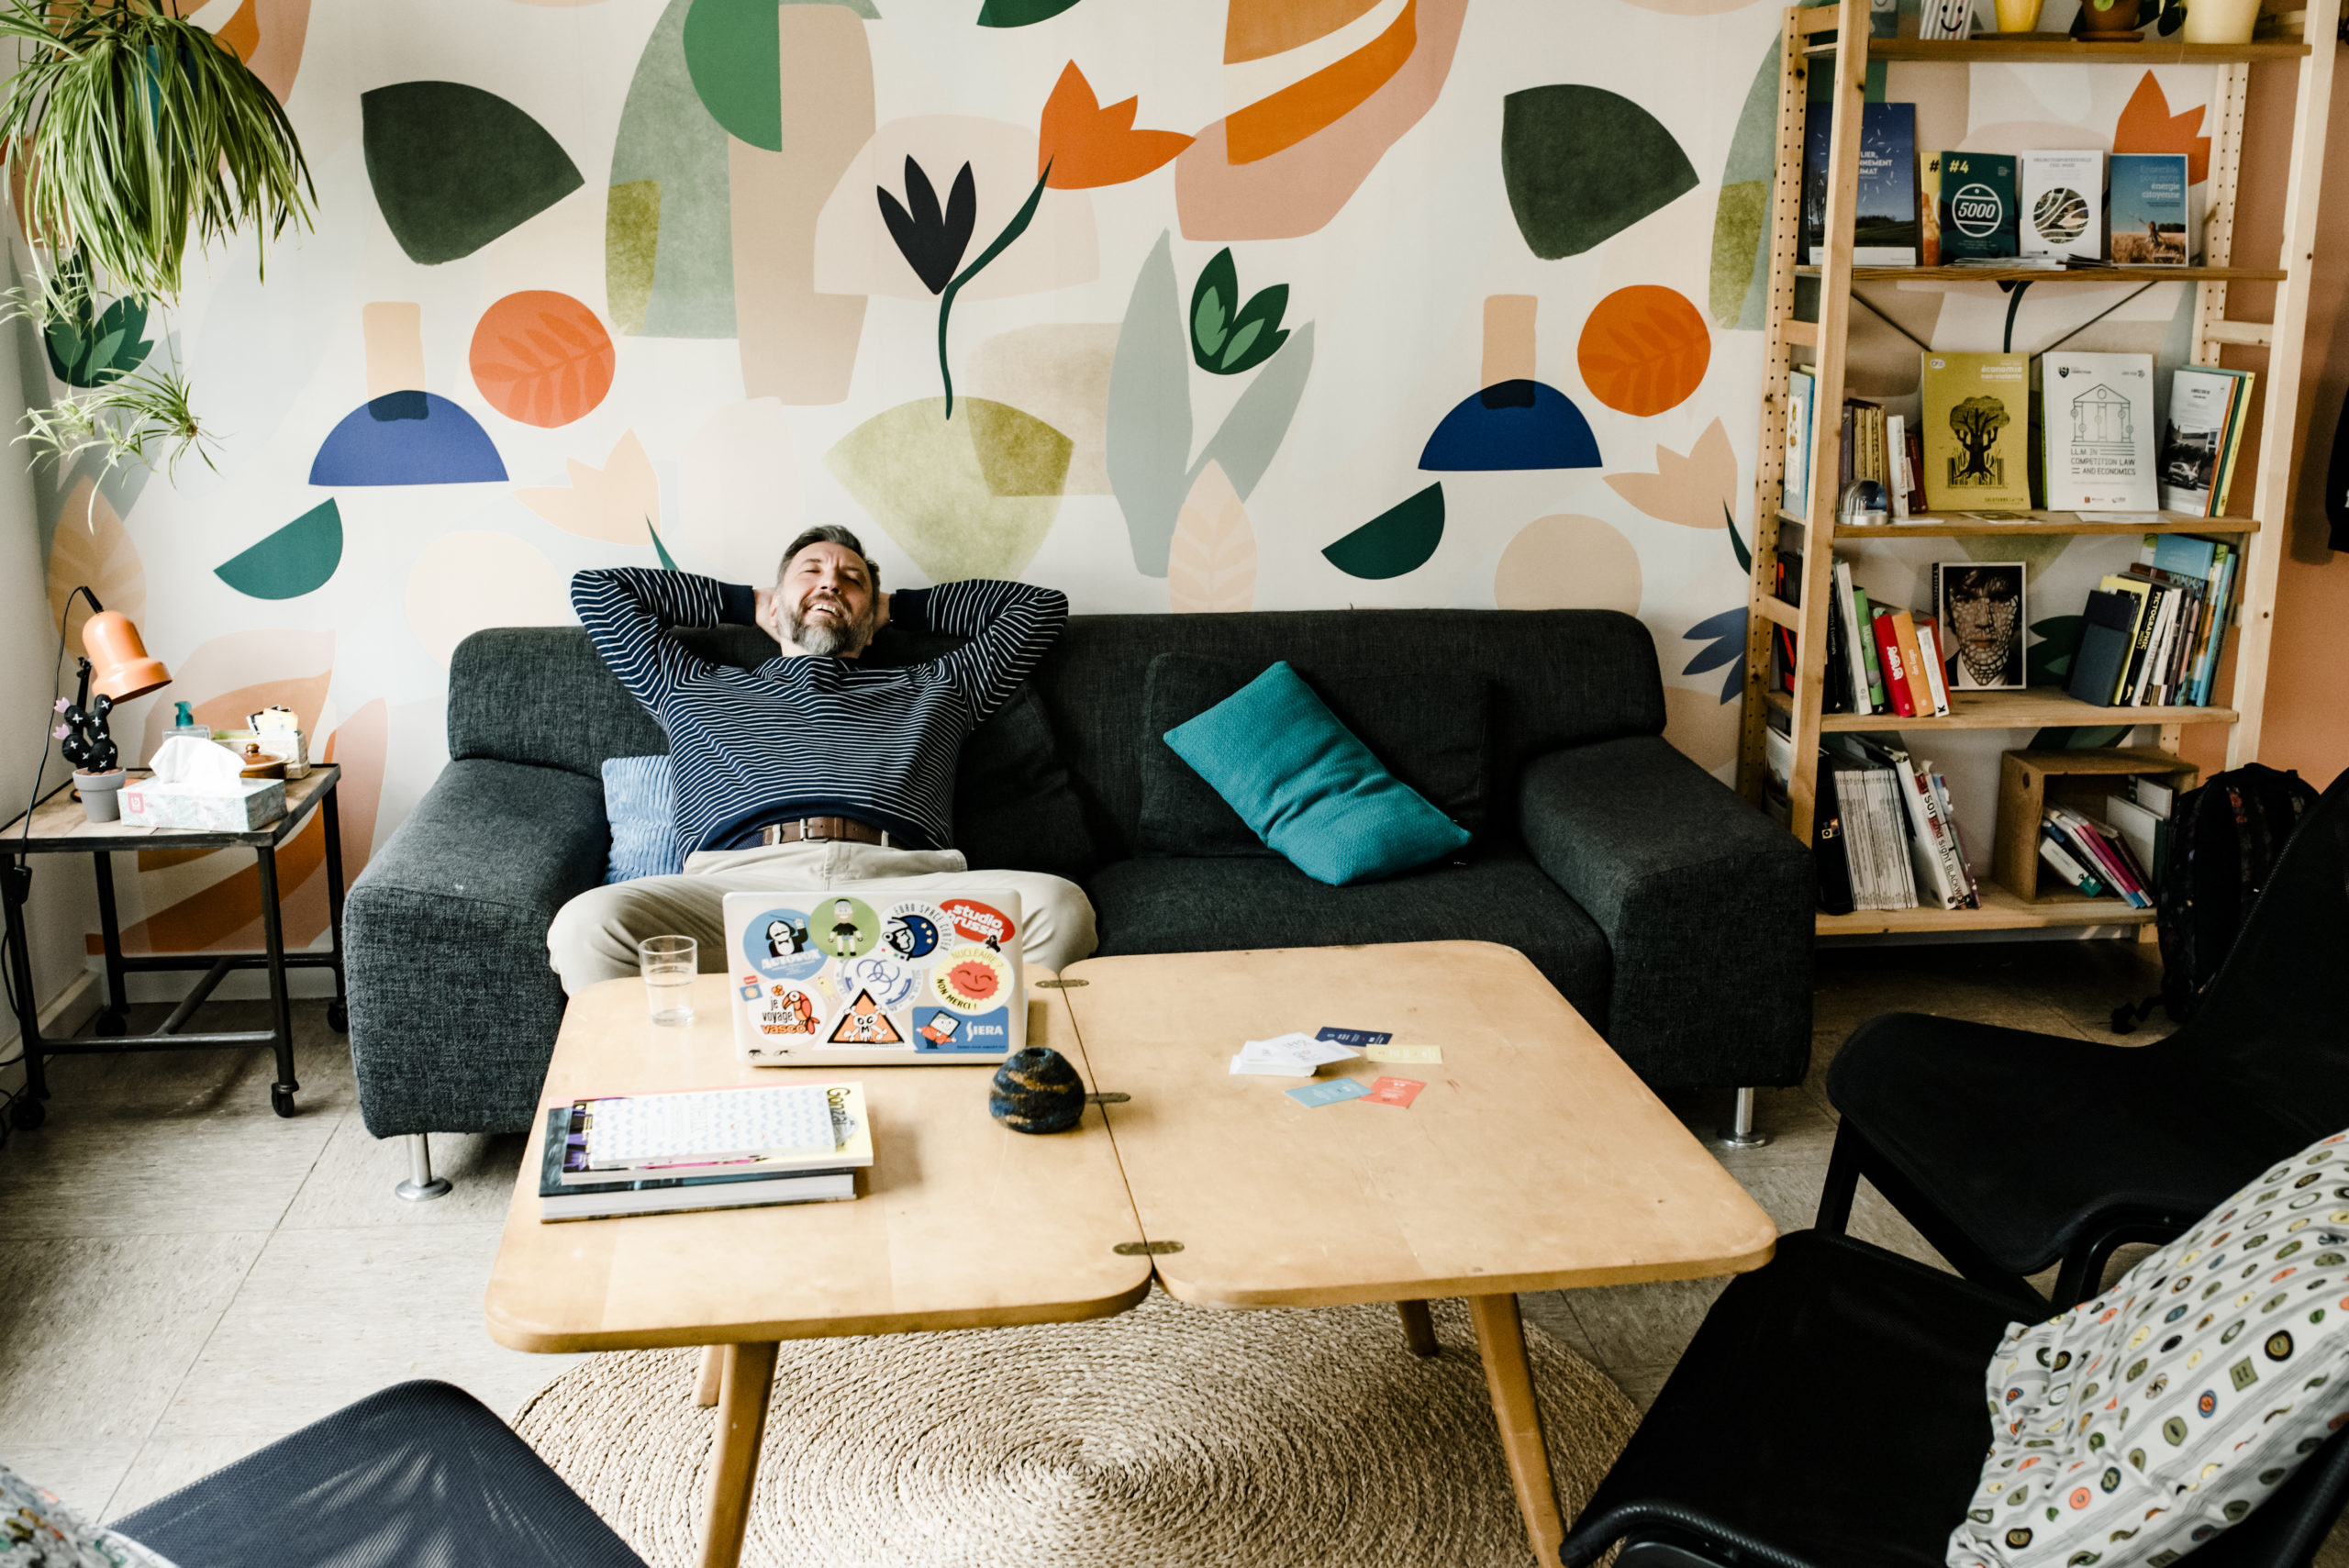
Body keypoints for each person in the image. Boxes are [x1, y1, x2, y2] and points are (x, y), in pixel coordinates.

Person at [546, 525, 1097, 992]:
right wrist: (749, 602)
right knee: (586, 926)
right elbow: (598, 589)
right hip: (736, 887)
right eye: (810, 571)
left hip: (904, 885)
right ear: (776, 601)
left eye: (852, 579)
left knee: (1059, 907)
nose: (831, 582)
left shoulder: (937, 688)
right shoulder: (692, 685)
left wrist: (891, 608)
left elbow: (1040, 609)